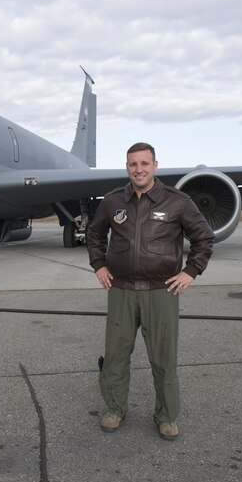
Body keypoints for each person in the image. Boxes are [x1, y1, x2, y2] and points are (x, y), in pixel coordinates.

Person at [86, 142, 214, 440]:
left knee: (163, 358)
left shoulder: (177, 202)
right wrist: (99, 264)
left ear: (155, 165)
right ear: (127, 167)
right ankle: (115, 409)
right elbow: (94, 233)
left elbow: (204, 238)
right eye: (133, 164)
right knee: (116, 355)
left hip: (161, 292)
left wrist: (190, 271)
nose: (139, 169)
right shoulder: (112, 201)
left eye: (144, 163)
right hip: (121, 290)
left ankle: (166, 415)